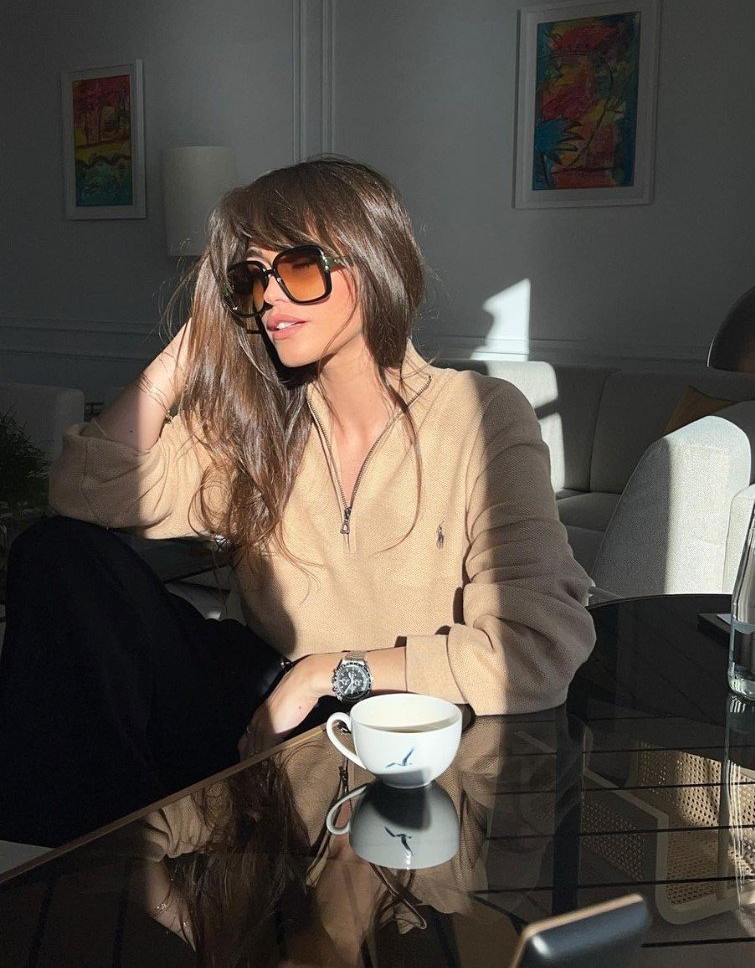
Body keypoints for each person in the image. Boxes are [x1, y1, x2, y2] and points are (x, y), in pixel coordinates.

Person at [0, 157, 594, 847]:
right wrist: (182, 360)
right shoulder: (256, 422)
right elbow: (88, 493)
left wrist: (326, 673)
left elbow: (537, 647)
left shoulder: (480, 416)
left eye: (299, 269)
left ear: (374, 263)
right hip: (252, 701)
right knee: (57, 555)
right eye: (252, 279)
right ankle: (91, 861)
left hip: (389, 730)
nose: (270, 298)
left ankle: (140, 846)